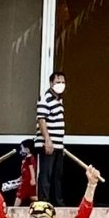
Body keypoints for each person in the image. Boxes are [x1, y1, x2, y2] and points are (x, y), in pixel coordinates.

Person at [30, 71, 67, 207]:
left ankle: (58, 202)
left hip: (58, 145)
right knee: (46, 174)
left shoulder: (58, 101)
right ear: (51, 83)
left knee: (57, 175)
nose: (60, 84)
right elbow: (41, 120)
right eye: (58, 82)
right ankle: (43, 202)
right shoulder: (45, 99)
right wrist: (47, 140)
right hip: (47, 144)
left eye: (63, 82)